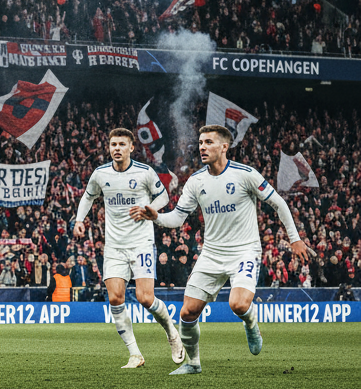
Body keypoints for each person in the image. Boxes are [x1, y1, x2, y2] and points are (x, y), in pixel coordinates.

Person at [132, 124, 312, 375]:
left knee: (237, 304)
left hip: (244, 251)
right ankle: (193, 363)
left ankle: (250, 323)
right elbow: (177, 219)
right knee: (188, 311)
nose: (202, 147)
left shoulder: (245, 174)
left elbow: (279, 203)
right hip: (212, 254)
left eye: (208, 142)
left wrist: (295, 239)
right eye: (201, 142)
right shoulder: (196, 181)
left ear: (224, 147)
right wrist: (156, 217)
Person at [73, 127, 184, 369]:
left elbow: (163, 196)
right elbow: (88, 197)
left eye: (122, 144)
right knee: (115, 298)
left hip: (141, 244)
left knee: (146, 298)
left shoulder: (144, 172)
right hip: (114, 246)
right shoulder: (100, 174)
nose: (117, 149)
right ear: (109, 147)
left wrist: (149, 208)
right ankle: (135, 354)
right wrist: (80, 220)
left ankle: (172, 333)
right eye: (113, 144)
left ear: (132, 148)